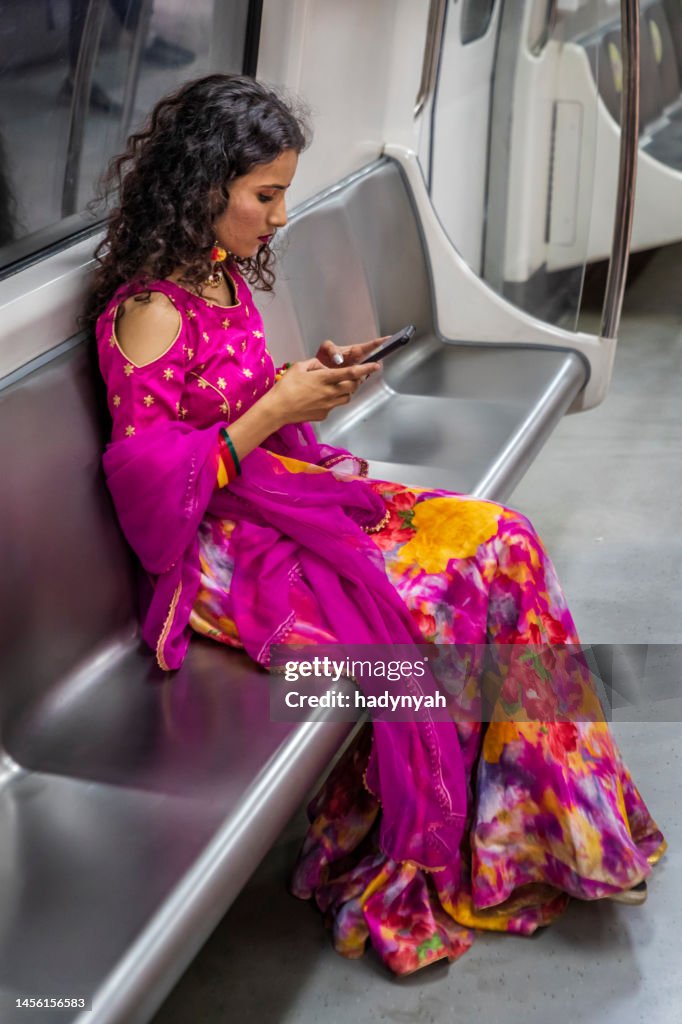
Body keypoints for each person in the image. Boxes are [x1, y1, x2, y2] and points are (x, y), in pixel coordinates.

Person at [87, 74, 666, 977]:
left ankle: (553, 826)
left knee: (504, 541)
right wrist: (273, 408)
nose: (279, 216)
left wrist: (306, 377)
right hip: (224, 552)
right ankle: (424, 845)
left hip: (279, 499)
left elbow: (234, 403)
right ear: (205, 188)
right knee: (432, 611)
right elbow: (152, 499)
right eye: (265, 195)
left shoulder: (222, 274)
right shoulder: (151, 310)